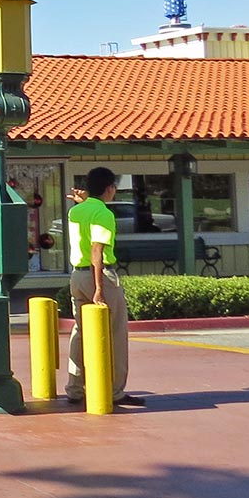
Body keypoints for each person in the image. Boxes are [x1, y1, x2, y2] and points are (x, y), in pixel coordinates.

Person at [64, 167, 145, 408]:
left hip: (77, 277)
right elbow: (97, 250)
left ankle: (75, 387)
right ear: (110, 188)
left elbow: (86, 221)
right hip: (100, 276)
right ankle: (115, 391)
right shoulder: (105, 214)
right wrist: (99, 287)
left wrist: (84, 201)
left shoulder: (76, 211)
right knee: (115, 333)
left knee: (80, 331)